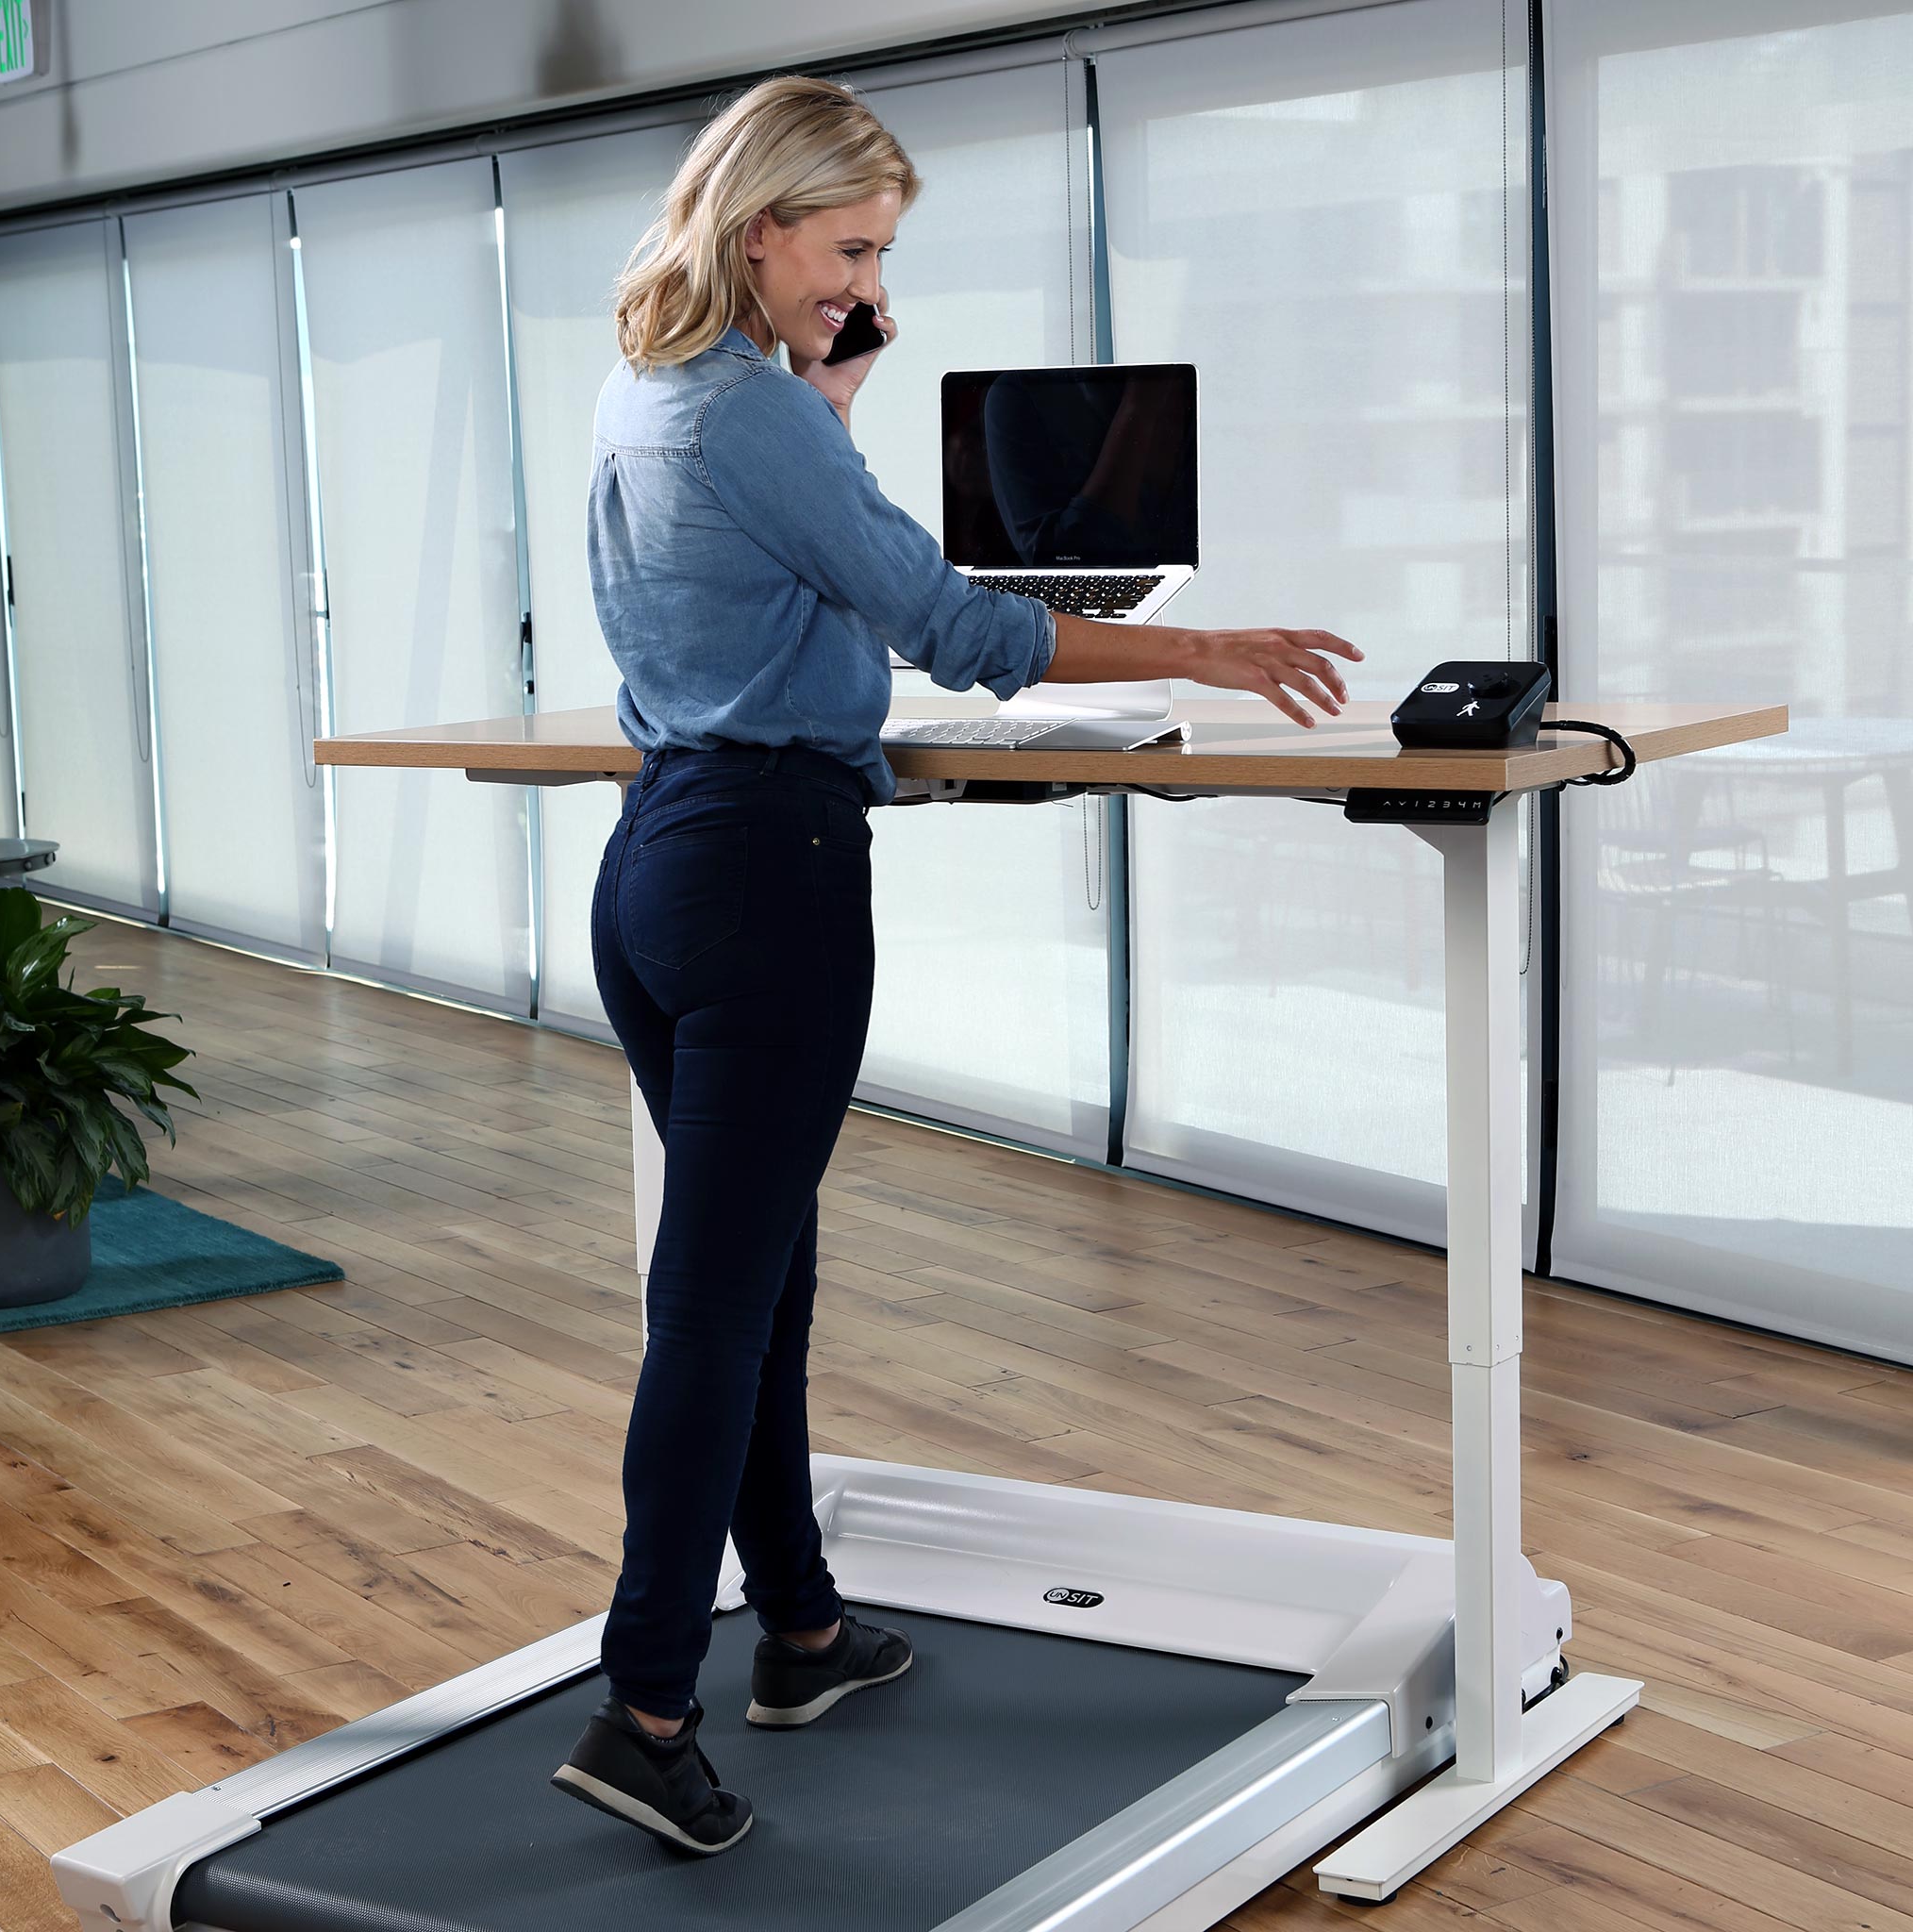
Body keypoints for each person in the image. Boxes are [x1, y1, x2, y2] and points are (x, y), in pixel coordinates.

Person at [552, 73, 1364, 1858]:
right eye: (845, 252)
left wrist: (828, 396)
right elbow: (955, 625)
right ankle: (647, 1703)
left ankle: (807, 1635)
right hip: (767, 873)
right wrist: (1211, 648)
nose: (857, 284)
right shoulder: (756, 427)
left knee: (757, 1279)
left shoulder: (660, 394)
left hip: (659, 861)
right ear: (757, 225)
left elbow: (770, 573)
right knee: (714, 1306)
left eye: (876, 259)